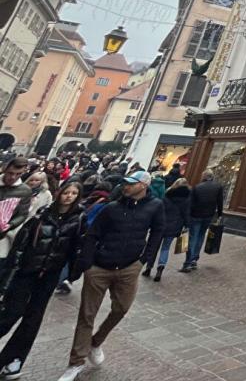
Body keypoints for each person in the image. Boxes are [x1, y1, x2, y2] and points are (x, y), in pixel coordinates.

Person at [58, 169, 164, 381]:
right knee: (87, 314)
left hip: (129, 267)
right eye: (125, 183)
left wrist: (143, 261)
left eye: (131, 183)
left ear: (143, 185)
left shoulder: (155, 206)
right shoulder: (112, 207)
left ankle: (96, 342)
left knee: (121, 308)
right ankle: (76, 362)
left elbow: (157, 232)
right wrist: (88, 264)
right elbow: (93, 234)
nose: (126, 186)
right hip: (99, 267)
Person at [0, 180, 83, 379]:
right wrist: (8, 278)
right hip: (27, 272)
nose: (69, 196)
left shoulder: (79, 219)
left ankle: (13, 359)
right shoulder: (42, 215)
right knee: (10, 313)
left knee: (32, 320)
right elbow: (20, 248)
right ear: (60, 192)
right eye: (67, 192)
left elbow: (76, 248)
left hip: (49, 276)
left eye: (74, 193)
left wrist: (73, 272)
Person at [144, 178, 190, 282]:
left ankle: (148, 267)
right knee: (165, 248)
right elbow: (186, 214)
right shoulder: (187, 198)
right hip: (175, 226)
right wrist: (187, 225)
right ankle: (160, 268)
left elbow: (160, 209)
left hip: (161, 224)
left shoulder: (168, 194)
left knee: (154, 246)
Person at [180, 170, 224, 272]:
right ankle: (194, 259)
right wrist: (220, 215)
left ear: (203, 176)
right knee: (201, 236)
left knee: (193, 237)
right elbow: (220, 202)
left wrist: (187, 217)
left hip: (196, 215)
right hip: (208, 216)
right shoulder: (218, 187)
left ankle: (188, 262)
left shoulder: (197, 187)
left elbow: (191, 204)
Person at [0, 158, 32, 260]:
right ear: (5, 169)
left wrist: (11, 224)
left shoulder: (25, 191)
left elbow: (23, 214)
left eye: (18, 174)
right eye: (10, 173)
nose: (13, 177)